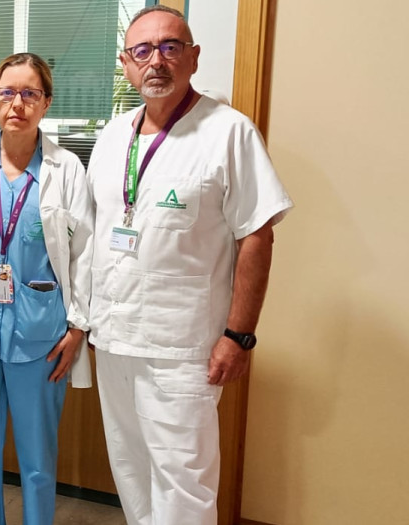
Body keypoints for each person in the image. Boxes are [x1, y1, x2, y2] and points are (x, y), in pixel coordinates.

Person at [86, 7, 292, 525]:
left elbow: (257, 235)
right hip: (114, 340)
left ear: (193, 56)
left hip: (182, 350)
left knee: (184, 485)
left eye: (170, 47)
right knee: (130, 470)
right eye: (142, 51)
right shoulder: (112, 137)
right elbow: (95, 231)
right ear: (126, 64)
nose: (156, 60)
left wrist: (238, 335)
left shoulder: (228, 133)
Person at [0, 53, 93, 525]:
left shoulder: (67, 171)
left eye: (30, 93)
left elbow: (86, 256)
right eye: (7, 93)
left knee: (38, 458)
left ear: (46, 102)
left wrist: (78, 327)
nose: (17, 104)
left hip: (40, 338)